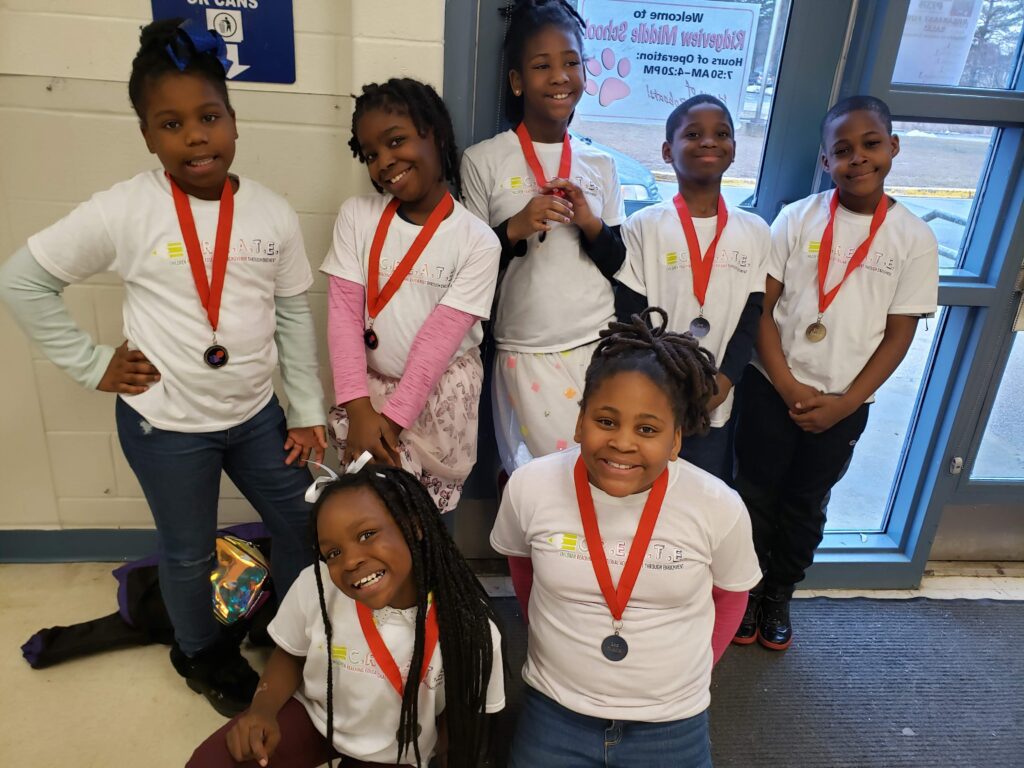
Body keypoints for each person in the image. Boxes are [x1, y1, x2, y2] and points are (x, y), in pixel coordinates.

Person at [0, 18, 327, 714]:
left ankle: (281, 629)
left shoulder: (271, 214)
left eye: (209, 117)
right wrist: (92, 364)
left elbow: (295, 316)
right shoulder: (127, 210)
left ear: (233, 121)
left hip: (256, 417)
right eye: (171, 124)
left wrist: (304, 410)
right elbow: (22, 280)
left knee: (305, 528)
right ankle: (201, 653)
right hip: (166, 426)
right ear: (148, 136)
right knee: (187, 556)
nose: (195, 136)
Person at [491, 309, 761, 767]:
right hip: (556, 710)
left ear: (676, 440)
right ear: (580, 422)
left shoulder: (717, 505)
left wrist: (690, 672)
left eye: (648, 429)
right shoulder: (529, 487)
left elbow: (732, 596)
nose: (623, 442)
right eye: (606, 421)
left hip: (672, 721)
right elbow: (524, 574)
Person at [732, 95, 938, 650]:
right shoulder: (797, 218)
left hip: (846, 403)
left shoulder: (913, 238)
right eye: (842, 150)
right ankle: (745, 592)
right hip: (771, 387)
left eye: (871, 144)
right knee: (754, 495)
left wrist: (846, 403)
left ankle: (779, 592)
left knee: (806, 503)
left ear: (893, 147)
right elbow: (763, 310)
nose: (859, 158)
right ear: (826, 161)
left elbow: (899, 337)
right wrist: (788, 384)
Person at [188, 461, 506, 768]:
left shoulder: (471, 627)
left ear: (414, 525)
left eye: (367, 534)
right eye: (334, 553)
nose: (350, 561)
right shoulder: (317, 583)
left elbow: (462, 726)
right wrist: (261, 711)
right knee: (212, 761)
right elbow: (291, 654)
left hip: (396, 749)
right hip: (318, 715)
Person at [462, 0, 626, 474]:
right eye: (542, 65)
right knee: (532, 479)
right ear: (517, 82)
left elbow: (617, 262)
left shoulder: (601, 165)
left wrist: (590, 222)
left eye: (571, 62)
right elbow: (470, 267)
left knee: (596, 472)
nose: (559, 76)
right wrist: (515, 227)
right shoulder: (484, 160)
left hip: (596, 343)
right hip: (522, 348)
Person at [322, 78, 500, 514]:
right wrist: (361, 413)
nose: (384, 162)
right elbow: (344, 315)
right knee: (371, 513)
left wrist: (391, 422)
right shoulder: (357, 216)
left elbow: (437, 343)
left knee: (425, 524)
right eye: (370, 154)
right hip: (366, 394)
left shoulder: (477, 241)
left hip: (437, 395)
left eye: (395, 141)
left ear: (435, 133)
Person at [616, 94, 769, 481]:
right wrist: (664, 384)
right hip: (654, 391)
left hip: (715, 401)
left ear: (734, 150)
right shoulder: (645, 226)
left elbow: (751, 319)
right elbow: (632, 315)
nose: (708, 141)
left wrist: (722, 383)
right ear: (668, 151)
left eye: (722, 133)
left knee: (698, 494)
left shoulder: (754, 230)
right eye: (693, 134)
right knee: (642, 485)